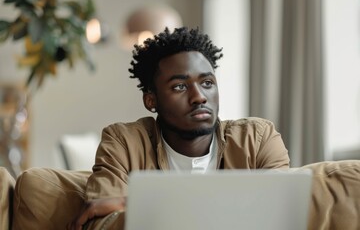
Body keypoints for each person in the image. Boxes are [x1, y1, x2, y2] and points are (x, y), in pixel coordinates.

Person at [68, 27, 290, 230]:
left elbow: (282, 215)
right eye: (180, 86)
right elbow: (99, 224)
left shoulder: (258, 139)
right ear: (151, 100)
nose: (199, 97)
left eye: (207, 83)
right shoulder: (123, 142)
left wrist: (135, 204)